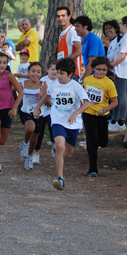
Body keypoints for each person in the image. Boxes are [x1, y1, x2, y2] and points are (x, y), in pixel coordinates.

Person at [33, 58, 90, 190]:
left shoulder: (76, 86)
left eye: (62, 73)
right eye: (57, 72)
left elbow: (87, 103)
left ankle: (59, 152)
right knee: (59, 146)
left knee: (68, 153)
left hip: (73, 123)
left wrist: (76, 113)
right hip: (58, 120)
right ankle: (60, 178)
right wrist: (37, 107)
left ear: (70, 74)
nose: (58, 76)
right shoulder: (53, 85)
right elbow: (46, 96)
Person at [82, 57, 118, 177]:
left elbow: (114, 102)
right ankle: (93, 168)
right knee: (92, 140)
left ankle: (100, 142)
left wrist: (104, 110)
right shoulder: (87, 80)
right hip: (88, 114)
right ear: (93, 69)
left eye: (104, 70)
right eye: (99, 69)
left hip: (102, 115)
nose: (101, 72)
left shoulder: (109, 83)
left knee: (102, 142)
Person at [108, 16, 127, 132]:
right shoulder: (126, 37)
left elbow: (123, 55)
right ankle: (114, 119)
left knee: (121, 95)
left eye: (121, 23)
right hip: (119, 70)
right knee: (115, 94)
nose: (120, 25)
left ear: (125, 25)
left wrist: (112, 65)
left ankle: (120, 121)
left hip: (122, 70)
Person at [19, 62, 44, 170]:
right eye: (33, 71)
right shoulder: (23, 83)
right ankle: (25, 144)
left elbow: (47, 101)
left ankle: (29, 157)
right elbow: (14, 94)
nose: (35, 74)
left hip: (39, 113)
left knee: (35, 139)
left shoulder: (43, 84)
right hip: (25, 111)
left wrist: (44, 97)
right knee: (30, 128)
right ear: (28, 72)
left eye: (38, 72)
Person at [34, 60, 58, 162]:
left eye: (57, 70)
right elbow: (41, 94)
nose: (55, 72)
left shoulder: (60, 81)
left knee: (53, 128)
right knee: (39, 132)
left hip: (53, 110)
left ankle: (54, 145)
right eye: (52, 69)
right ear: (47, 70)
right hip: (42, 109)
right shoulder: (43, 80)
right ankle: (36, 152)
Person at [73, 15, 105, 80]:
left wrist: (83, 79)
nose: (75, 29)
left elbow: (92, 61)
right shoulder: (85, 39)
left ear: (85, 27)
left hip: (96, 76)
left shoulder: (93, 39)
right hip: (91, 75)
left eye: (77, 26)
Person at [56, 6, 82, 79]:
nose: (61, 18)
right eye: (58, 16)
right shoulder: (62, 33)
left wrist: (66, 60)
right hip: (63, 71)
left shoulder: (73, 30)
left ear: (69, 17)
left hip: (72, 72)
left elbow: (80, 50)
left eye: (63, 16)